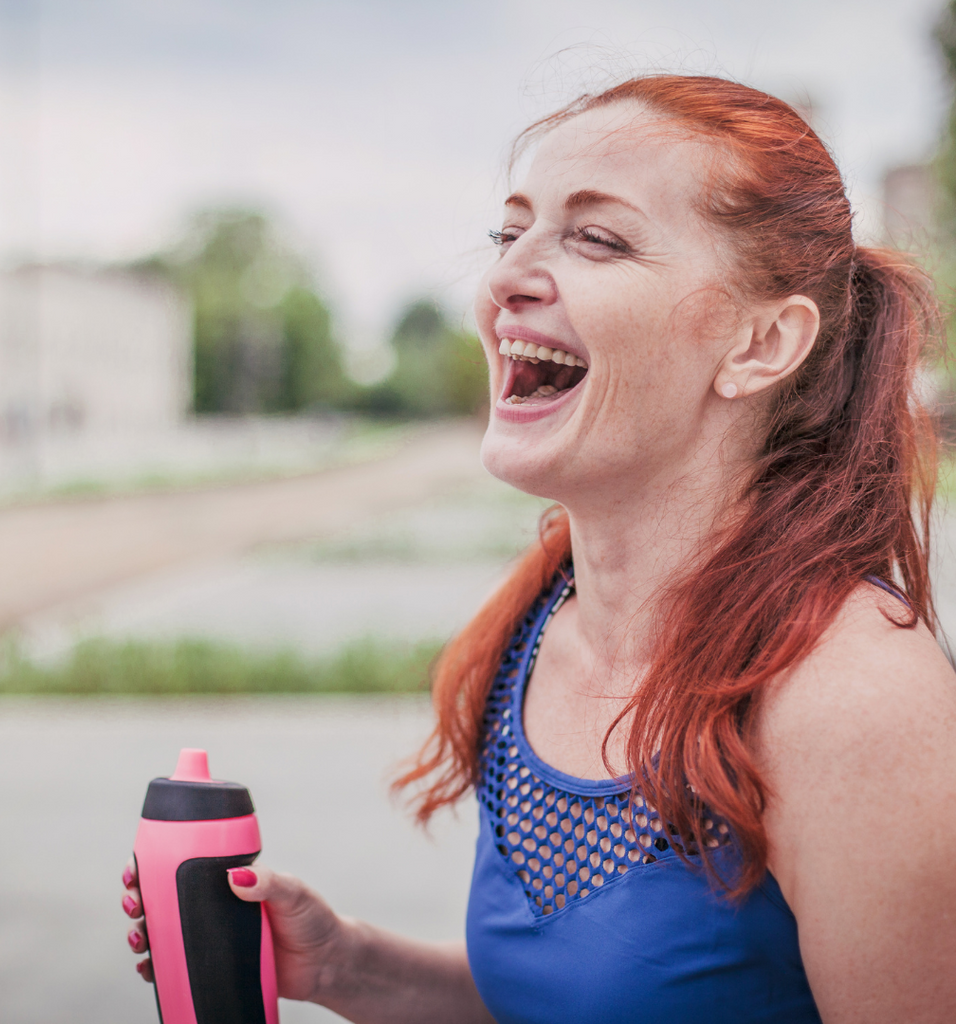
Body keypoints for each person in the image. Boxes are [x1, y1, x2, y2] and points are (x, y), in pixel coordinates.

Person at [121, 74, 956, 1023]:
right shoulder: (534, 631)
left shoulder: (858, 701)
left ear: (761, 343)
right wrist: (351, 968)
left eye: (597, 237)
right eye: (508, 232)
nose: (506, 277)